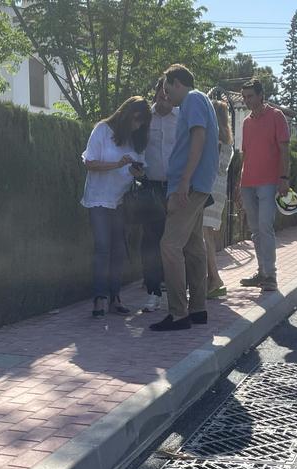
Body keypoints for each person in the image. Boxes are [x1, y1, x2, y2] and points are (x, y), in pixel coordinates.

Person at [151, 64, 219, 332]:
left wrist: (184, 182)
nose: (165, 96)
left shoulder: (192, 100)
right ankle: (198, 309)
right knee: (193, 247)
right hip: (197, 184)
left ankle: (178, 313)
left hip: (188, 186)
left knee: (169, 245)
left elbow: (198, 137)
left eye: (167, 89)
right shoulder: (201, 101)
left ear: (177, 83)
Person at [81, 96, 151, 317]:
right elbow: (89, 163)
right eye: (137, 119)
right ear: (127, 113)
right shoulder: (102, 130)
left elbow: (133, 169)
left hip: (119, 200)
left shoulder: (135, 140)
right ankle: (100, 298)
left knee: (119, 250)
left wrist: (134, 171)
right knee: (103, 247)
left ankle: (115, 296)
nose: (138, 125)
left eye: (142, 123)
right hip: (98, 198)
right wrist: (117, 164)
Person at [238, 78, 291, 292]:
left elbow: (285, 150)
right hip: (248, 183)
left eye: (250, 96)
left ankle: (271, 275)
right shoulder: (246, 122)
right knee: (255, 231)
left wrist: (284, 178)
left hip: (269, 183)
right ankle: (262, 272)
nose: (247, 100)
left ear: (261, 95)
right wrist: (239, 182)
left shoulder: (276, 117)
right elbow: (246, 155)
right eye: (244, 97)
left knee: (265, 228)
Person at [137, 78, 178, 313]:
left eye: (168, 97)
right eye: (160, 96)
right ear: (155, 95)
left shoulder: (181, 117)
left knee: (174, 242)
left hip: (175, 187)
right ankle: (153, 292)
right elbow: (137, 147)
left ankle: (176, 291)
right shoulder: (146, 118)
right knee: (150, 242)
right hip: (151, 186)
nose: (164, 101)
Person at [201, 93, 235, 299]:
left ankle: (214, 278)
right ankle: (211, 278)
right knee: (208, 236)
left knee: (204, 236)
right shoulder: (227, 141)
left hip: (209, 188)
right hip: (219, 190)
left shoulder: (212, 138)